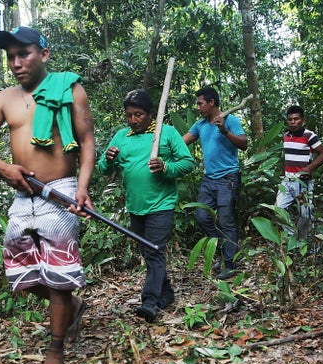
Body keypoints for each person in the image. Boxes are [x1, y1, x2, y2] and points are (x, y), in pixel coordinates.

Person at [0, 26, 95, 364]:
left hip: (61, 190)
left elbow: (86, 142)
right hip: (23, 192)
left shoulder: (69, 89)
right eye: (11, 57)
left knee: (57, 274)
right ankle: (71, 306)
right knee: (19, 273)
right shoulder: (5, 98)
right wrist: (3, 167)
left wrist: (82, 189)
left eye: (24, 54)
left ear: (44, 54)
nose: (17, 63)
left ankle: (55, 352)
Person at [98, 89, 195, 323]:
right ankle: (167, 293)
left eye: (138, 114)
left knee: (154, 250)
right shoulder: (122, 136)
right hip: (135, 206)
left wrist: (166, 167)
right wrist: (108, 159)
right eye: (129, 115)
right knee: (148, 252)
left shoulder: (167, 133)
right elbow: (103, 168)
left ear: (151, 114)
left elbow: (188, 163)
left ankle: (150, 301)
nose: (133, 120)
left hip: (161, 204)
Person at [183, 87, 248, 280]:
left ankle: (230, 263)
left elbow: (244, 144)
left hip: (228, 178)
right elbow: (182, 141)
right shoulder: (200, 124)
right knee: (202, 217)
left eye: (200, 103)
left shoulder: (230, 120)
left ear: (211, 103)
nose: (198, 107)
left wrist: (224, 130)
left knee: (226, 220)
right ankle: (223, 249)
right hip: (208, 179)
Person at [275, 105, 323, 240]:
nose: (293, 122)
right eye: (290, 120)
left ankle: (306, 243)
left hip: (302, 183)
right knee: (278, 210)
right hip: (287, 182)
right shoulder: (286, 136)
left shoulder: (309, 136)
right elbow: (287, 157)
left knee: (305, 214)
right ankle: (293, 237)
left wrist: (310, 168)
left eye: (296, 119)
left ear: (302, 120)